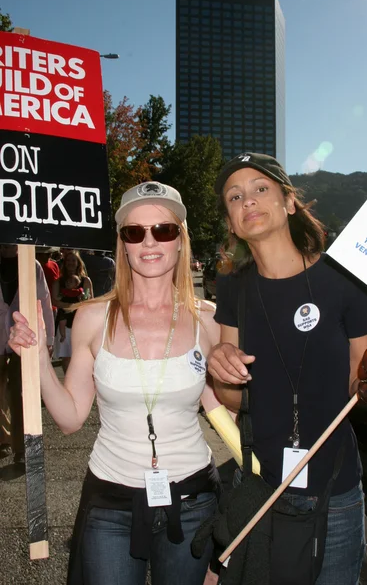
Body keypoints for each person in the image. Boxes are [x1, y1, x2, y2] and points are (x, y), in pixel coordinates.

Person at [8, 181, 221, 585]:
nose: (149, 241)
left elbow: (224, 407)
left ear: (180, 241)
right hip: (111, 500)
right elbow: (70, 418)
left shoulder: (209, 320)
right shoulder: (92, 317)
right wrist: (37, 363)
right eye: (134, 231)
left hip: (193, 500)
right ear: (123, 244)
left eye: (164, 230)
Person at [206, 152, 367, 585]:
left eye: (261, 189)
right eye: (235, 197)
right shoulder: (233, 288)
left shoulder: (345, 279)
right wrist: (222, 376)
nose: (248, 201)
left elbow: (363, 390)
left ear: (289, 202)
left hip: (337, 491)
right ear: (232, 221)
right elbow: (232, 400)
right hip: (263, 488)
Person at [0, 244, 54, 464]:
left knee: (22, 394)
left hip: (24, 337)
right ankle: (3, 438)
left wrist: (48, 338)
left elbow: (44, 300)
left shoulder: (32, 265)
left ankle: (23, 449)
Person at [53, 251, 93, 373]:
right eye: (68, 260)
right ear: (64, 263)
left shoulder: (85, 280)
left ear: (78, 263)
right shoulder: (58, 282)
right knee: (66, 355)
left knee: (80, 354)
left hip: (80, 321)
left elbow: (90, 300)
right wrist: (71, 306)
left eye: (73, 260)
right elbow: (54, 301)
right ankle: (68, 382)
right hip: (64, 322)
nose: (70, 263)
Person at [58, 274, 85, 343]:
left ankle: (78, 336)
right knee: (62, 322)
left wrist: (83, 296)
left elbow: (82, 299)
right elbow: (59, 297)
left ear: (76, 284)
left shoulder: (79, 291)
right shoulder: (64, 291)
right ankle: (63, 335)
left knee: (76, 321)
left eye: (70, 282)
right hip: (64, 310)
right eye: (67, 281)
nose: (68, 283)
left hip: (74, 310)